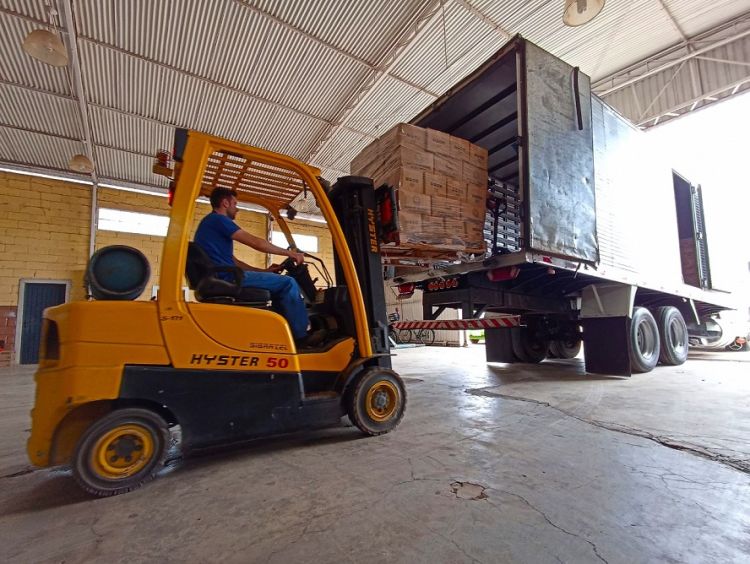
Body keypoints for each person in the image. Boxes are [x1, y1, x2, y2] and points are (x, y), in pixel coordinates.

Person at [194, 187, 324, 347]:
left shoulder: (210, 225)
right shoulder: (219, 220)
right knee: (288, 283)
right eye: (235, 203)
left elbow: (235, 262)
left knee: (279, 287)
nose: (237, 208)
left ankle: (281, 335)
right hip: (227, 277)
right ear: (225, 203)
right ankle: (301, 337)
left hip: (224, 275)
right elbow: (256, 243)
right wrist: (291, 254)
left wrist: (264, 271)